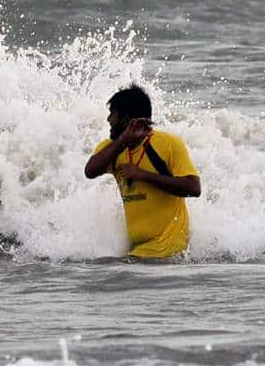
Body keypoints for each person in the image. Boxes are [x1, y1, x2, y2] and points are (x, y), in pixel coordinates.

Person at [84, 85, 200, 258]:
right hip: (139, 253)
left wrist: (142, 175)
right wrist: (124, 140)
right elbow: (90, 171)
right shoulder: (112, 148)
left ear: (127, 118)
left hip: (168, 253)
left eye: (112, 113)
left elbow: (193, 187)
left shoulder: (168, 143)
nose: (108, 119)